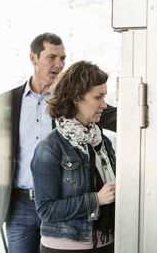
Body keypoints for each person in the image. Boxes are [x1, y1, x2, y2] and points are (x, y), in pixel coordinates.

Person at [0, 33, 117, 253]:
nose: (59, 64)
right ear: (33, 58)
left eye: (62, 58)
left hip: (67, 201)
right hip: (20, 203)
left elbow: (119, 118)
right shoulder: (8, 100)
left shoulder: (73, 100)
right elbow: (0, 156)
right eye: (52, 57)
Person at [30, 60, 116, 253]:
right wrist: (97, 199)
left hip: (106, 243)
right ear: (76, 98)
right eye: (98, 97)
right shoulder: (49, 148)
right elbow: (46, 210)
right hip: (66, 248)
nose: (104, 104)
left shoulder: (102, 141)